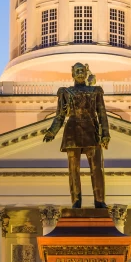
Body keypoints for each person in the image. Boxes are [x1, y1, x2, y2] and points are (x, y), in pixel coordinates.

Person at [43, 63, 110, 208]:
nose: (80, 73)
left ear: (86, 73)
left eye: (82, 71)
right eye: (77, 71)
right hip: (72, 131)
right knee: (73, 169)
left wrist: (105, 134)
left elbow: (102, 114)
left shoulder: (95, 91)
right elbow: (60, 115)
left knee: (97, 168)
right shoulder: (65, 92)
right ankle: (76, 201)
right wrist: (52, 132)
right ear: (72, 74)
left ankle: (99, 200)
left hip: (91, 130)